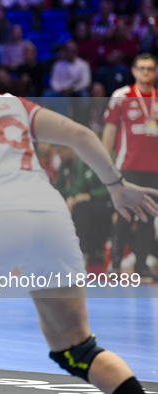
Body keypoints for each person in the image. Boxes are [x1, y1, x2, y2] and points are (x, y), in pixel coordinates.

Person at [0, 25, 157, 394]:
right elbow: (82, 135)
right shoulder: (12, 103)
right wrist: (117, 187)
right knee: (78, 350)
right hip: (52, 218)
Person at [102, 53, 158, 280]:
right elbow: (109, 129)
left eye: (151, 69)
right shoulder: (121, 96)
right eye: (142, 68)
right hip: (127, 166)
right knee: (124, 215)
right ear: (134, 71)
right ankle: (115, 263)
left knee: (148, 218)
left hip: (154, 169)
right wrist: (104, 163)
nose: (146, 73)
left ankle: (142, 264)